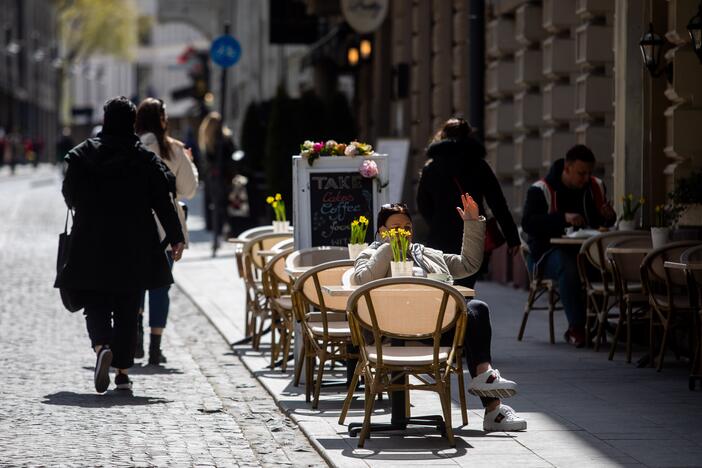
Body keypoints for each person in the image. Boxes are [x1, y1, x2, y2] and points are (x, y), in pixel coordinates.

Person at [351, 198, 527, 432]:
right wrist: (389, 246)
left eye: (407, 228)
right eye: (395, 229)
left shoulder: (426, 254)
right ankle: (493, 406)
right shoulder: (370, 254)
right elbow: (362, 280)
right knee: (473, 316)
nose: (403, 233)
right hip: (389, 334)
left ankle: (490, 394)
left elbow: (468, 264)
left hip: (433, 329)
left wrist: (473, 223)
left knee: (477, 309)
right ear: (381, 232)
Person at [57, 96, 185, 393]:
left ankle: (102, 346)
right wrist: (175, 237)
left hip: (91, 240)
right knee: (128, 306)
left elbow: (69, 195)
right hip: (135, 243)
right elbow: (162, 202)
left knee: (96, 300)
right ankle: (123, 373)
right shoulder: (145, 159)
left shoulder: (84, 154)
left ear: (105, 119)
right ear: (131, 122)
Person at [521, 144, 616, 347]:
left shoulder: (595, 186)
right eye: (581, 173)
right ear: (567, 168)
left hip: (586, 251)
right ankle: (577, 327)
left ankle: (598, 322)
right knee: (569, 266)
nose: (585, 178)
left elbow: (601, 223)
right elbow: (529, 224)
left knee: (607, 265)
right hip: (545, 255)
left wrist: (609, 217)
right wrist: (563, 218)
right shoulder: (541, 189)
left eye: (589, 173)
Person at [418, 117, 520, 287]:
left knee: (441, 289)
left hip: (439, 240)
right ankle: (463, 312)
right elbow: (498, 203)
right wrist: (512, 237)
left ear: (443, 135)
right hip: (472, 238)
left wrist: (436, 222)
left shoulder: (431, 168)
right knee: (464, 290)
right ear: (469, 136)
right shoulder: (479, 166)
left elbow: (422, 204)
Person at [135, 97, 199, 364]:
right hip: (165, 228)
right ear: (162, 119)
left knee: (134, 284)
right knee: (160, 286)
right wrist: (189, 161)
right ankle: (155, 348)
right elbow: (189, 190)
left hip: (133, 225)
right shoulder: (173, 149)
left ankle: (134, 336)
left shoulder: (131, 146)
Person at [197, 111, 236, 239]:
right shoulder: (212, 140)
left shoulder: (221, 139)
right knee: (222, 204)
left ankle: (223, 228)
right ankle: (224, 228)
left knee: (221, 204)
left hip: (221, 177)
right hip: (220, 177)